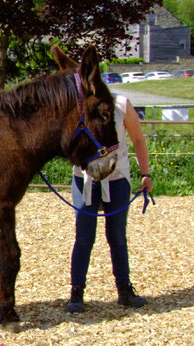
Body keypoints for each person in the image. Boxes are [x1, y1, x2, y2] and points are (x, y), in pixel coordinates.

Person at [66, 95, 154, 313]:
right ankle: (76, 292)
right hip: (85, 177)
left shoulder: (122, 105)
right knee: (84, 237)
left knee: (117, 235)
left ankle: (124, 289)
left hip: (117, 178)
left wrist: (145, 174)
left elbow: (138, 139)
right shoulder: (76, 106)